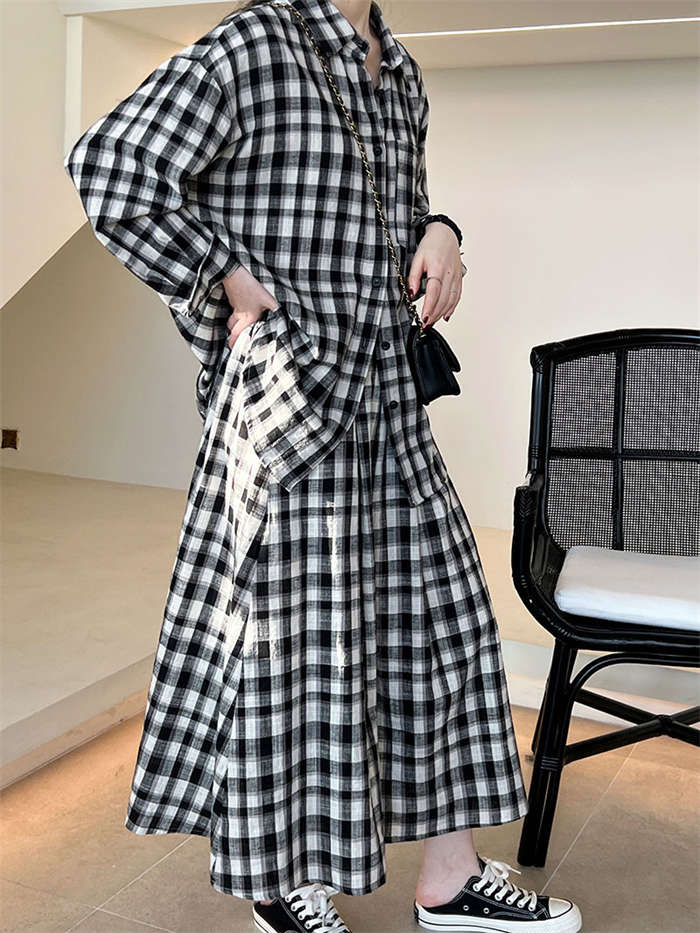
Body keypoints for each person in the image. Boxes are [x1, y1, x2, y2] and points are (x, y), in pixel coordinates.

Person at [63, 1, 582, 931]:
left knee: (445, 623)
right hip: (290, 405)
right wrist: (225, 274)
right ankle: (277, 879)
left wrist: (441, 230)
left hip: (385, 398)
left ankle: (450, 877)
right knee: (291, 650)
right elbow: (110, 164)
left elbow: (389, 209)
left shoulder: (401, 71)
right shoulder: (255, 43)